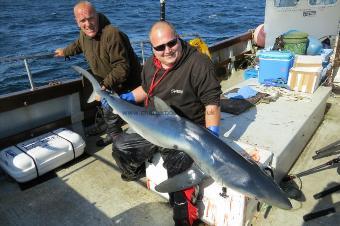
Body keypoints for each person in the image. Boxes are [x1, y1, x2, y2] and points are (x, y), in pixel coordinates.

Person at [112, 21, 221, 226]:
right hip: (154, 123)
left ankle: (185, 217)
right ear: (153, 48)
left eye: (171, 43)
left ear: (178, 38)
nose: (167, 50)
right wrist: (126, 97)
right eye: (160, 47)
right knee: (121, 146)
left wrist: (212, 136)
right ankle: (137, 171)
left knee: (179, 183)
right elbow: (146, 90)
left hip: (184, 131)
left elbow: (212, 105)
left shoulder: (199, 64)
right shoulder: (151, 64)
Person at [54, 1, 142, 147]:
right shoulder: (84, 33)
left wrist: (104, 86)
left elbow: (122, 68)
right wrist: (65, 52)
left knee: (121, 114)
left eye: (90, 18)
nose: (88, 24)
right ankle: (109, 131)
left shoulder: (112, 34)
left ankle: (122, 138)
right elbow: (78, 45)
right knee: (106, 109)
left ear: (97, 16)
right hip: (107, 80)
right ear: (77, 22)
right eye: (82, 20)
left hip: (127, 83)